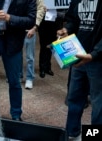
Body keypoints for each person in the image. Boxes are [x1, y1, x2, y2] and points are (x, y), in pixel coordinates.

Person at [57, 0, 102, 140]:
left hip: (98, 60)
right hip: (78, 55)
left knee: (98, 104)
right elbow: (72, 19)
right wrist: (67, 30)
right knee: (74, 98)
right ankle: (72, 133)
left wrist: (94, 54)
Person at [19, 0, 45, 89]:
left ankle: (29, 78)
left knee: (30, 56)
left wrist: (35, 27)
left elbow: (41, 9)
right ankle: (19, 75)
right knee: (17, 54)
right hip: (17, 28)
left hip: (30, 29)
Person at [38, 8, 66, 78]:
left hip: (56, 23)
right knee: (44, 46)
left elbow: (64, 10)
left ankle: (48, 67)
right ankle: (42, 68)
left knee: (51, 46)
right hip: (44, 23)